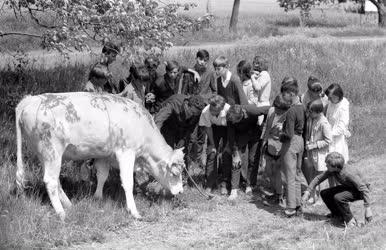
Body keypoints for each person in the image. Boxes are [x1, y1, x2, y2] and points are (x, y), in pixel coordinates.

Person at [302, 152, 373, 227]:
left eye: (327, 165)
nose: (326, 166)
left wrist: (367, 209)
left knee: (339, 197)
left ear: (335, 167)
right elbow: (318, 178)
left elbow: (364, 189)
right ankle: (338, 216)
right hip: (350, 187)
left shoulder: (348, 173)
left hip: (360, 191)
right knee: (325, 193)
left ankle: (350, 220)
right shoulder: (333, 170)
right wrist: (307, 192)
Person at [226, 104, 270, 200]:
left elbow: (269, 109)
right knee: (236, 161)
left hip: (254, 134)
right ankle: (234, 189)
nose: (232, 122)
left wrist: (264, 124)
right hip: (240, 136)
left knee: (253, 160)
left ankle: (250, 185)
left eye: (234, 121)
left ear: (241, 116)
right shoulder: (229, 116)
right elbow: (231, 136)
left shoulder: (252, 110)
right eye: (231, 121)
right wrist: (235, 151)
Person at [153, 94, 207, 170]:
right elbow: (159, 119)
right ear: (187, 105)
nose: (193, 115)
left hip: (183, 129)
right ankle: (165, 172)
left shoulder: (197, 112)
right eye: (192, 112)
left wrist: (183, 139)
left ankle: (183, 173)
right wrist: (156, 135)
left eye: (195, 114)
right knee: (168, 150)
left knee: (183, 152)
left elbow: (191, 128)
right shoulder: (174, 103)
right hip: (168, 125)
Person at [279, 77, 306, 217]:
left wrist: (280, 134)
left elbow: (288, 134)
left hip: (291, 142)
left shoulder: (291, 111)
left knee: (288, 175)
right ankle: (298, 204)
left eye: (284, 95)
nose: (283, 98)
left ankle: (290, 207)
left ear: (290, 93)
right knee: (296, 174)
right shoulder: (302, 107)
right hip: (300, 141)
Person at [261, 94, 291, 207]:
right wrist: (264, 140)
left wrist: (281, 133)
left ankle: (280, 195)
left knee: (279, 172)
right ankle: (275, 192)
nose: (277, 112)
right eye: (276, 109)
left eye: (280, 111)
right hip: (270, 145)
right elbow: (267, 127)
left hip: (281, 147)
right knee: (269, 171)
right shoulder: (271, 111)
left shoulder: (289, 116)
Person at [199, 95, 231, 195]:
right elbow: (208, 128)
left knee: (226, 154)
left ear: (221, 108)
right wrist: (213, 145)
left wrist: (229, 143)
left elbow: (232, 127)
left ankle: (224, 183)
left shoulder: (228, 109)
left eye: (215, 110)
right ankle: (210, 184)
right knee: (211, 154)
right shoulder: (205, 111)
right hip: (213, 129)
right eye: (211, 109)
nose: (212, 111)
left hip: (227, 129)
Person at [303, 99, 332, 205]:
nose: (309, 113)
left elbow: (328, 140)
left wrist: (314, 145)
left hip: (321, 155)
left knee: (321, 177)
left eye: (311, 111)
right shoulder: (314, 119)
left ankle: (321, 199)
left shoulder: (324, 123)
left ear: (318, 111)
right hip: (313, 154)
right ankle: (313, 195)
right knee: (312, 175)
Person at [325, 83, 351, 163]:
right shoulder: (332, 102)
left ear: (337, 96)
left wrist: (328, 134)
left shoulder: (343, 107)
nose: (328, 100)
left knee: (335, 163)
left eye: (330, 97)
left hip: (337, 141)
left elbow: (341, 128)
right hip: (328, 137)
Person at [251, 55, 272, 125]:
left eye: (256, 63)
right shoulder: (260, 74)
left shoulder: (264, 74)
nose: (254, 65)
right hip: (259, 103)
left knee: (260, 127)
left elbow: (258, 87)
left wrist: (253, 78)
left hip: (263, 104)